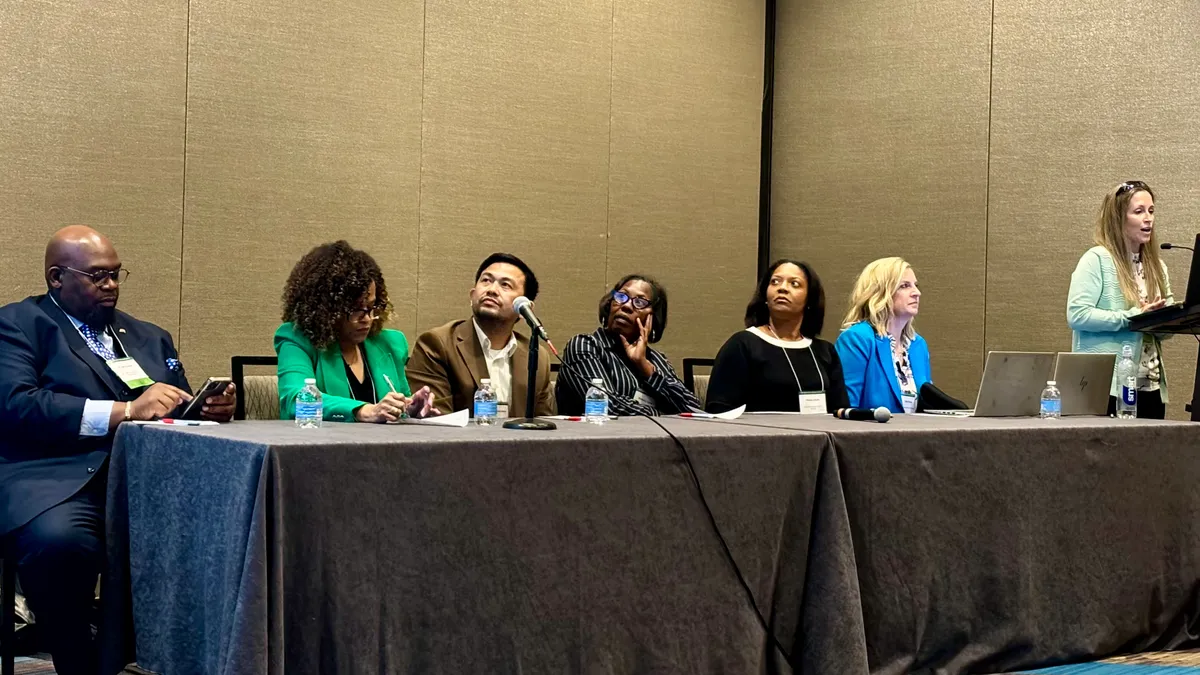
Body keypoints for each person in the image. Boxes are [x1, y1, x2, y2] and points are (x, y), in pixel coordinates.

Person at [0, 226, 236, 675]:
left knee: (217, 528)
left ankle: (156, 657)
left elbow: (174, 409)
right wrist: (124, 410)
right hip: (57, 479)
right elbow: (17, 405)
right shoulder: (18, 325)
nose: (111, 286)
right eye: (97, 277)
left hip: (144, 482)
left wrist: (206, 408)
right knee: (61, 544)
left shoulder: (149, 336)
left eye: (115, 275)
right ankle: (78, 664)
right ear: (56, 277)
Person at [275, 241, 434, 422]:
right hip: (322, 447)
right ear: (327, 309)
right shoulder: (296, 339)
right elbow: (295, 400)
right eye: (356, 309)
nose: (366, 318)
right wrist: (363, 411)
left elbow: (397, 407)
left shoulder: (390, 344)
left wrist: (409, 409)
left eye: (371, 307)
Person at [1067, 180, 1174, 418]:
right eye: (1139, 212)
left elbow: (1163, 331)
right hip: (1108, 386)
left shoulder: (1158, 267)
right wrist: (1133, 318)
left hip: (1149, 385)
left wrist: (1172, 317)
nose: (1148, 218)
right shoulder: (1096, 260)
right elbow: (1078, 314)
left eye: (1151, 211)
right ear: (1118, 219)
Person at [407, 253, 553, 418]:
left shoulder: (537, 357)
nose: (492, 290)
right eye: (486, 281)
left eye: (505, 285)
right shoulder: (437, 344)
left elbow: (543, 423)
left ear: (524, 309)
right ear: (472, 296)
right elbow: (438, 419)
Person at [706, 260, 848, 414]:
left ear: (809, 299)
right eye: (775, 282)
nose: (782, 288)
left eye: (794, 284)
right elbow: (719, 411)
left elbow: (840, 412)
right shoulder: (742, 345)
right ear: (765, 296)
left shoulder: (825, 351)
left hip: (818, 436)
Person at [556, 275, 699, 416]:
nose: (626, 306)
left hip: (655, 438)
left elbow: (693, 409)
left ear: (653, 317)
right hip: (597, 437)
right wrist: (664, 415)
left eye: (639, 302)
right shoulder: (585, 346)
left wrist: (646, 369)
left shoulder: (656, 360)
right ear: (610, 304)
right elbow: (608, 406)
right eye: (621, 297)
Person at [835, 256, 931, 414]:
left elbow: (927, 405)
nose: (917, 293)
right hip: (871, 435)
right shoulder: (857, 339)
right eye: (905, 286)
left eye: (916, 285)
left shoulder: (918, 345)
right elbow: (847, 408)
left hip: (916, 436)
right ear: (880, 293)